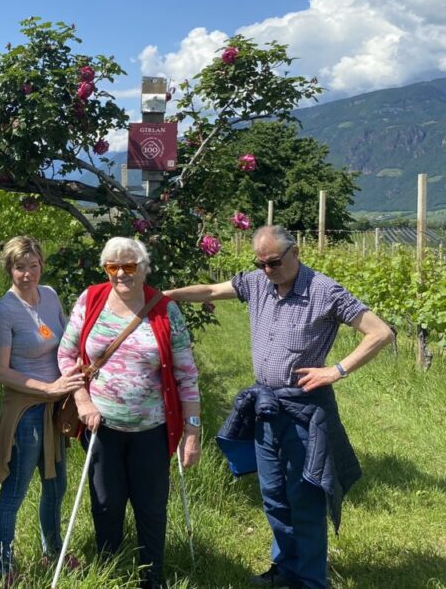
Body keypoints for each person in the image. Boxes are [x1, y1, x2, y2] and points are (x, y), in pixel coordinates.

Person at [165, 225, 393, 589]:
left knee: (305, 496)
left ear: (295, 252)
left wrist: (336, 370)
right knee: (273, 494)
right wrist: (164, 295)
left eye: (273, 262)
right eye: (261, 263)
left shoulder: (324, 290)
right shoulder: (257, 283)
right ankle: (284, 568)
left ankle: (310, 579)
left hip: (305, 410)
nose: (267, 269)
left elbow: (381, 332)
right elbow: (210, 290)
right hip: (266, 408)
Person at [57, 237, 202, 589]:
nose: (121, 273)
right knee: (106, 504)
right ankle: (110, 571)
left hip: (152, 428)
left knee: (150, 507)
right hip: (101, 426)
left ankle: (153, 577)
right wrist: (82, 401)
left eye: (129, 266)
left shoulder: (165, 309)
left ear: (144, 267)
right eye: (112, 267)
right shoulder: (90, 299)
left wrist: (193, 433)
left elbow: (186, 374)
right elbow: (66, 355)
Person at [0, 236, 85, 586]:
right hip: (27, 408)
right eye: (19, 267)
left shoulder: (51, 296)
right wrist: (47, 388)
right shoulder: (5, 309)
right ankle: (3, 565)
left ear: (41, 264)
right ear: (9, 269)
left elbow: (68, 340)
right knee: (15, 492)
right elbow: (0, 371)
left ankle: (53, 550)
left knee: (56, 486)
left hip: (57, 409)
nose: (26, 274)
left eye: (32, 265)